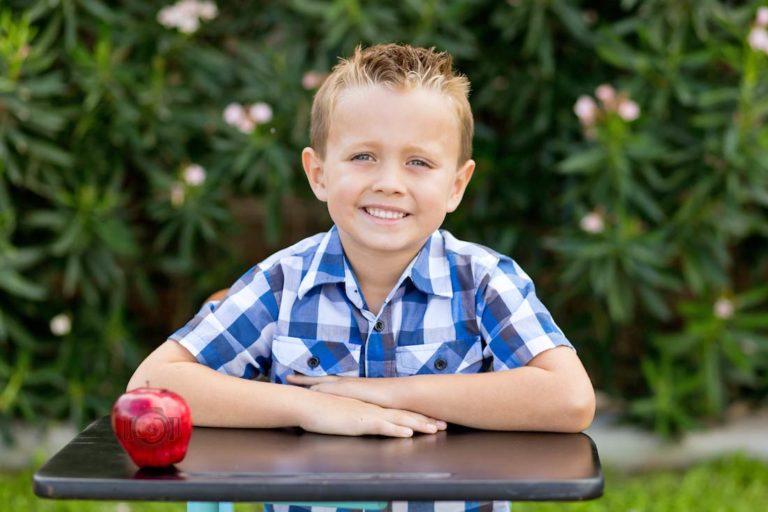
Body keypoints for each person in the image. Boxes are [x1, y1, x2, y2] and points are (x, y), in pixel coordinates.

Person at [128, 43, 595, 512]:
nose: (389, 181)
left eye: (419, 162)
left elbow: (570, 399)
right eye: (364, 156)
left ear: (456, 185)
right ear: (318, 173)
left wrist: (381, 394)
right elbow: (153, 383)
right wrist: (313, 408)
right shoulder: (281, 283)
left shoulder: (485, 282)